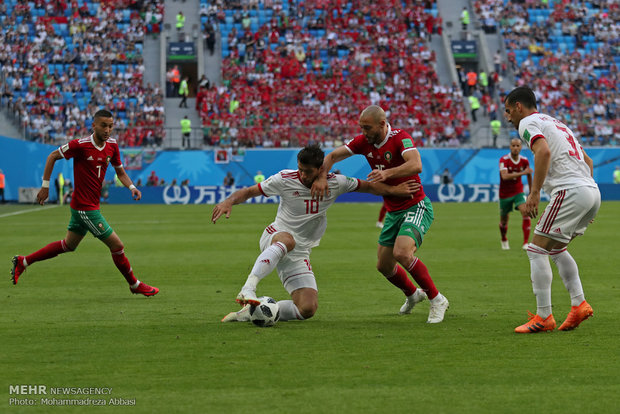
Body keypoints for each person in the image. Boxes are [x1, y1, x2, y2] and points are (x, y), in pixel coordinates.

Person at [213, 145, 420, 323]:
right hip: (277, 234)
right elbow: (250, 191)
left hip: (300, 250)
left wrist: (394, 190)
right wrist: (228, 201)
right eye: (300, 169)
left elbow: (368, 187)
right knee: (287, 239)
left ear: (320, 169)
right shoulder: (285, 179)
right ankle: (248, 288)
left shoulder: (336, 183)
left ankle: (251, 312)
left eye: (308, 171)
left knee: (307, 309)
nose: (303, 175)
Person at [311, 105, 450, 324]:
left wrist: (387, 173)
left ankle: (437, 299)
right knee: (383, 266)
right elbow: (332, 157)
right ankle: (413, 295)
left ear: (382, 124)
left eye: (367, 128)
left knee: (402, 253)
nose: (364, 132)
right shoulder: (363, 142)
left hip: (416, 205)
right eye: (361, 127)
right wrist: (320, 178)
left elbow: (416, 164)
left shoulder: (400, 138)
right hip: (394, 211)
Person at [10, 110, 159, 296]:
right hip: (84, 209)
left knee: (68, 245)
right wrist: (45, 187)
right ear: (93, 126)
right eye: (104, 125)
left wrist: (132, 187)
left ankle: (23, 262)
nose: (108, 130)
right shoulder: (80, 145)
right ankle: (134, 285)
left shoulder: (112, 145)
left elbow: (120, 172)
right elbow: (52, 157)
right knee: (117, 246)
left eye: (111, 126)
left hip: (88, 206)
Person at [504, 86, 599, 333]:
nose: (507, 117)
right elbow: (588, 161)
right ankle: (579, 304)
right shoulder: (556, 123)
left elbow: (543, 152)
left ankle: (544, 316)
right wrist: (586, 202)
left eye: (507, 111)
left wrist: (534, 193)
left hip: (571, 190)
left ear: (518, 107)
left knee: (536, 249)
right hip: (591, 190)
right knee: (557, 249)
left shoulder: (527, 122)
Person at [498, 138, 533, 251]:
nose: (515, 148)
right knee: (504, 221)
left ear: (521, 147)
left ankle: (525, 243)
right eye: (513, 145)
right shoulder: (503, 160)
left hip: (518, 191)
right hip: (504, 194)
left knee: (525, 211)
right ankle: (504, 238)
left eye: (518, 146)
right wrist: (523, 172)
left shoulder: (524, 160)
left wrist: (532, 192)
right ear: (510, 147)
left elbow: (529, 175)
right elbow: (504, 176)